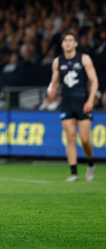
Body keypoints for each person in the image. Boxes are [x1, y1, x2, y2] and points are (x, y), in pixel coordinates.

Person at [47, 30, 98, 182]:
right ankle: (74, 173)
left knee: (84, 139)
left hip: (82, 101)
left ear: (75, 43)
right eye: (65, 40)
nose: (68, 42)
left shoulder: (84, 59)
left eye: (71, 40)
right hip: (67, 102)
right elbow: (54, 81)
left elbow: (94, 81)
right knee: (70, 137)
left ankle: (90, 163)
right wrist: (52, 89)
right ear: (62, 44)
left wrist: (90, 100)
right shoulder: (57, 62)